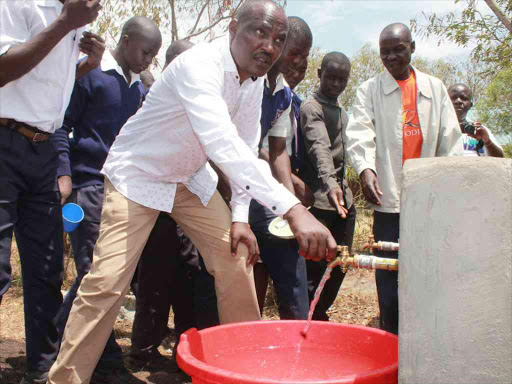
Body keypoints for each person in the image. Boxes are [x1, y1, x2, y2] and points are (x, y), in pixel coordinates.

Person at [48, 1, 336, 383]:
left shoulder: (251, 80)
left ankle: (246, 372)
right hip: (139, 174)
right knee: (107, 282)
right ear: (233, 29)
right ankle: (64, 379)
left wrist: (239, 218)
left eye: (278, 39)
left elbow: (245, 151)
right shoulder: (198, 67)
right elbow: (222, 145)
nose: (269, 46)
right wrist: (294, 210)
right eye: (260, 32)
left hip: (188, 178)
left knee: (236, 258)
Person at [52, 16, 161, 383]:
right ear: (126, 41)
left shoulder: (139, 91)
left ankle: (59, 339)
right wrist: (65, 175)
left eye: (154, 55)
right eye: (146, 51)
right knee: (94, 273)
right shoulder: (93, 76)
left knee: (104, 277)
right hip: (87, 187)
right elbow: (61, 125)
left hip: (123, 191)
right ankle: (103, 362)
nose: (149, 59)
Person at [0, 1, 102, 383]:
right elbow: (3, 69)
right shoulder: (21, 3)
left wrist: (84, 68)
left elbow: (44, 93)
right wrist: (65, 23)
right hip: (4, 142)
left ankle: (41, 370)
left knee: (46, 270)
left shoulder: (71, 18)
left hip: (43, 153)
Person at [345, 22, 463, 335]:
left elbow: (451, 142)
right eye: (385, 52)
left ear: (412, 47)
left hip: (429, 204)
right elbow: (359, 133)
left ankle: (424, 340)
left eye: (399, 49)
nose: (392, 57)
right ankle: (391, 339)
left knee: (427, 274)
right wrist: (365, 169)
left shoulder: (434, 88)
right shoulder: (369, 90)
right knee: (388, 277)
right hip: (389, 202)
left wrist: (449, 190)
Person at [129, 40, 219, 373]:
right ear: (170, 66)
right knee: (155, 280)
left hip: (191, 202)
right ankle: (143, 353)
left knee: (189, 277)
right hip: (154, 203)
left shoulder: (202, 100)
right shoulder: (149, 100)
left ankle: (186, 352)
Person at [250, 16, 313, 319]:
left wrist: (290, 205)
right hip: (228, 183)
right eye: (295, 52)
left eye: (305, 56)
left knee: (291, 253)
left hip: (259, 185)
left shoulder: (284, 94)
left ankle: (298, 336)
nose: (298, 61)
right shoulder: (250, 81)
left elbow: (278, 151)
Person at [300, 52, 356, 321]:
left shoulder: (343, 112)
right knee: (315, 266)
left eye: (342, 79)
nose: (336, 84)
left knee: (341, 262)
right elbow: (319, 148)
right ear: (319, 73)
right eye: (330, 77)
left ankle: (319, 312)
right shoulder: (312, 108)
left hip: (345, 202)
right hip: (322, 201)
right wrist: (332, 186)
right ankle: (309, 317)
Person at [448, 83, 504, 157]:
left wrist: (487, 141)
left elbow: (500, 158)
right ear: (445, 102)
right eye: (453, 98)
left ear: (470, 105)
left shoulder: (479, 130)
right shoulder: (437, 129)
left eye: (464, 98)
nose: (458, 101)